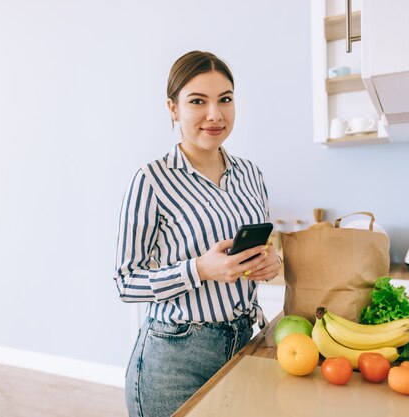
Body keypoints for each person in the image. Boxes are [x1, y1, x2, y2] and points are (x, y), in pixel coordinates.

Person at [113, 50, 280, 417]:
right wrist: (200, 270)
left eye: (225, 99)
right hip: (175, 359)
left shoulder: (251, 174)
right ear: (173, 108)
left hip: (242, 341)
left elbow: (260, 247)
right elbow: (126, 283)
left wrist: (270, 261)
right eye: (197, 101)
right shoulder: (151, 180)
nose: (214, 114)